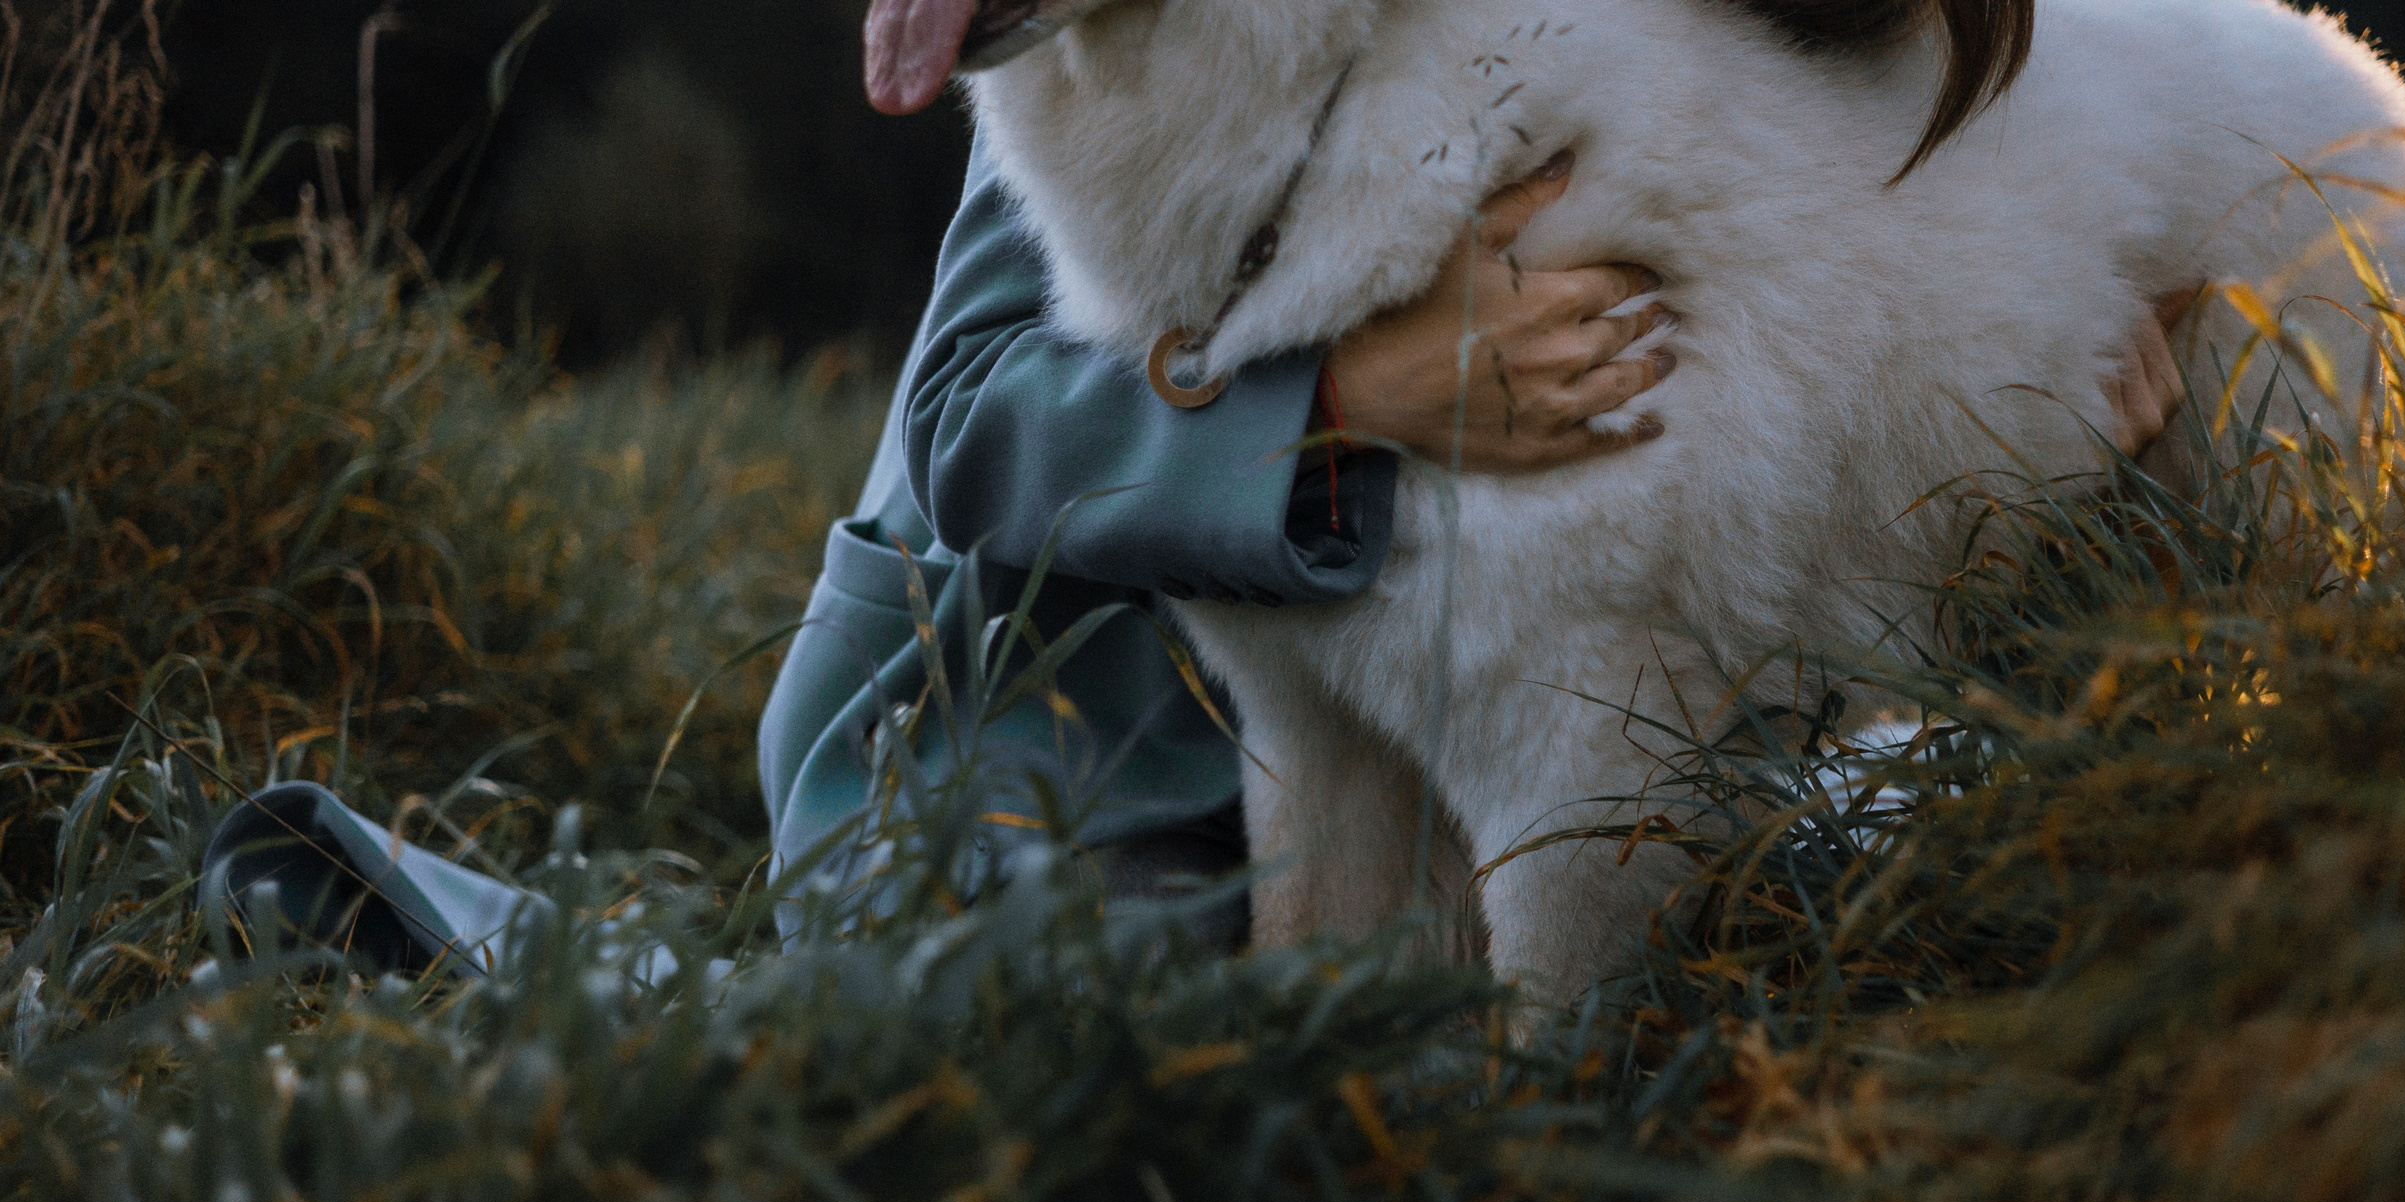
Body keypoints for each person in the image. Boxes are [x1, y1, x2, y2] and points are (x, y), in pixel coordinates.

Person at [754, 137, 2198, 946]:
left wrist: (2044, 375)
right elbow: (965, 414)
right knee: (1114, 1078)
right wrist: (1343, 394)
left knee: (1877, 915)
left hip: (1451, 749)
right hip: (1041, 738)